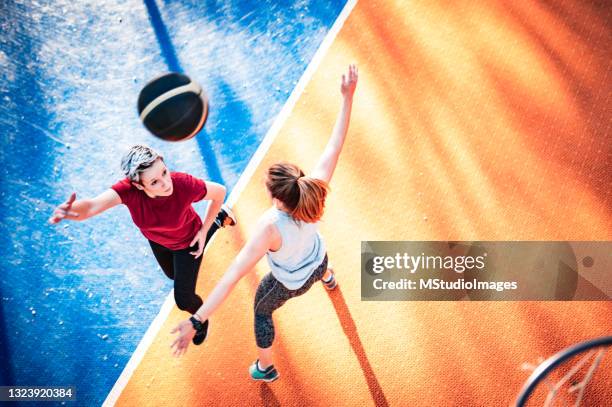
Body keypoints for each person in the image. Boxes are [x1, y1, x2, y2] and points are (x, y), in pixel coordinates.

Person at [171, 65, 358, 381]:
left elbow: (232, 277)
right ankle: (328, 277)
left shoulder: (269, 228)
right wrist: (347, 97)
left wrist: (197, 320)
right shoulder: (314, 188)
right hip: (318, 258)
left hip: (291, 282)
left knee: (261, 310)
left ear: (275, 196)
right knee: (320, 264)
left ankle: (265, 368)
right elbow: (334, 145)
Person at [49, 145, 236, 345]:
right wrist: (71, 210)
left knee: (183, 299)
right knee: (173, 274)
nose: (165, 183)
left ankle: (201, 321)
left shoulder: (183, 185)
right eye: (154, 182)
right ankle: (220, 219)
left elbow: (220, 192)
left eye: (164, 172)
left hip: (186, 241)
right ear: (139, 186)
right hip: (158, 241)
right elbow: (93, 206)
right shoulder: (129, 192)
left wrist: (203, 230)